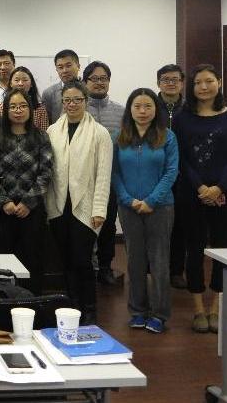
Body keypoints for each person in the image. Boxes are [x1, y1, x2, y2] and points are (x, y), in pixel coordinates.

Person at [173, 64, 227, 334]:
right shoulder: (182, 118)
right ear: (191, 87)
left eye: (209, 81)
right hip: (191, 193)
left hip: (225, 194)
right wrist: (201, 187)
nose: (203, 87)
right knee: (194, 249)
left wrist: (218, 188)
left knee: (222, 249)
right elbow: (181, 158)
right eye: (197, 83)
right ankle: (198, 310)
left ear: (219, 82)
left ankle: (215, 307)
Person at [45, 80, 112, 324]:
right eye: (67, 100)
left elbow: (103, 175)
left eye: (77, 100)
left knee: (82, 261)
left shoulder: (99, 133)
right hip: (58, 206)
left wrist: (99, 210)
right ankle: (71, 308)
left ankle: (89, 309)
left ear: (86, 101)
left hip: (86, 208)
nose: (72, 104)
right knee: (65, 262)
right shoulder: (53, 131)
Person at [113, 88, 178, 334]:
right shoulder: (120, 136)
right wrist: (127, 199)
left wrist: (151, 200)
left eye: (148, 106)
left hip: (160, 207)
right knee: (135, 260)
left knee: (159, 261)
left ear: (155, 109)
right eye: (137, 106)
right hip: (128, 207)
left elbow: (171, 172)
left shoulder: (167, 136)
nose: (142, 111)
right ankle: (138, 311)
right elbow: (114, 173)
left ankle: (159, 314)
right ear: (129, 109)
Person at [0, 88, 53, 295]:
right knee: (3, 260)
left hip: (32, 210)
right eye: (13, 106)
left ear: (30, 110)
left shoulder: (41, 137)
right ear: (6, 110)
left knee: (32, 259)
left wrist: (28, 202)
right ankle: (3, 301)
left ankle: (32, 301)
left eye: (23, 106)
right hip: (3, 209)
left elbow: (46, 172)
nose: (18, 110)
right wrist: (4, 200)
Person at [83, 61, 125, 286]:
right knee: (83, 226)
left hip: (110, 179)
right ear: (85, 82)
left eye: (103, 79)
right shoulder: (78, 109)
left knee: (107, 225)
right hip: (83, 180)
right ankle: (86, 267)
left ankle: (105, 267)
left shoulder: (121, 111)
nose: (99, 83)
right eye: (94, 79)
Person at [156, 63, 188, 289]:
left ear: (182, 83)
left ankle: (176, 270)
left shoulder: (190, 108)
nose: (170, 83)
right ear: (158, 83)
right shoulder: (149, 104)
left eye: (175, 79)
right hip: (155, 173)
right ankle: (153, 269)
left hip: (184, 174)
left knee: (180, 224)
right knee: (156, 225)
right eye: (165, 79)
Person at [42, 49, 81, 123]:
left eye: (68, 66)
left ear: (78, 66)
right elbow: (47, 122)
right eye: (60, 67)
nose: (64, 70)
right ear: (56, 70)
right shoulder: (49, 94)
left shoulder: (88, 90)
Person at [7, 66, 49, 131]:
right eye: (16, 80)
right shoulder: (2, 107)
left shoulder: (40, 109)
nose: (20, 84)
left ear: (31, 84)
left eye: (25, 80)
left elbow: (44, 133)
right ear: (10, 84)